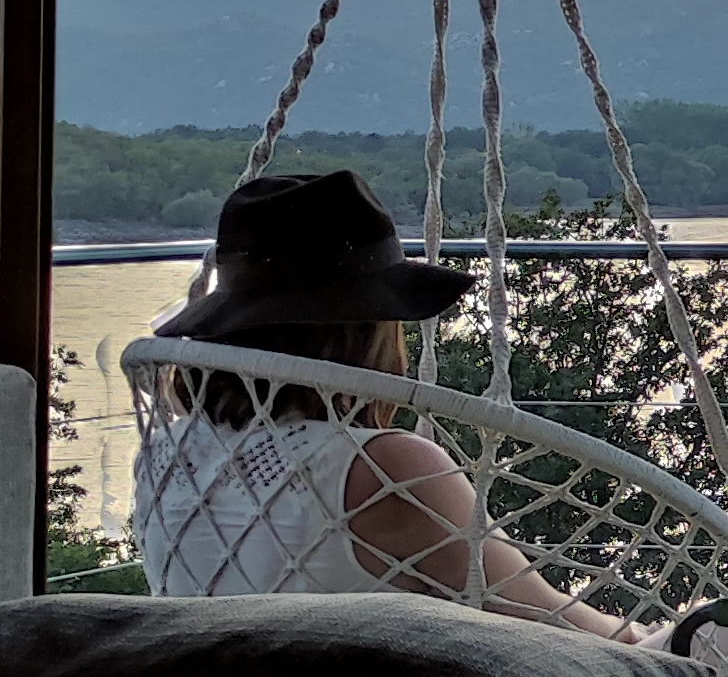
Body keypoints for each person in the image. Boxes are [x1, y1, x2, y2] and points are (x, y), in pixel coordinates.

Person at [134, 166, 639, 638]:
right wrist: (651, 636)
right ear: (368, 332)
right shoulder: (386, 470)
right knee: (706, 650)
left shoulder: (161, 457)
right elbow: (544, 620)